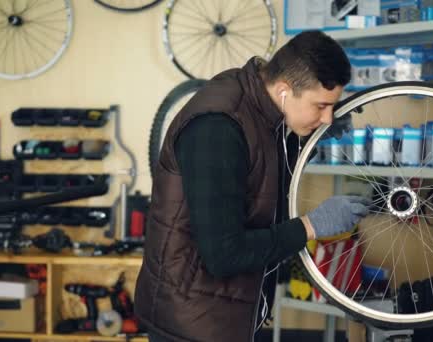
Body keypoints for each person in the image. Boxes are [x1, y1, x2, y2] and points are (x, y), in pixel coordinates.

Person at [135, 30, 370, 342]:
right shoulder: (218, 129)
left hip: (224, 315)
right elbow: (223, 255)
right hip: (193, 324)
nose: (327, 117)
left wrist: (310, 139)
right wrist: (311, 227)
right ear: (285, 89)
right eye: (320, 106)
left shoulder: (262, 107)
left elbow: (259, 175)